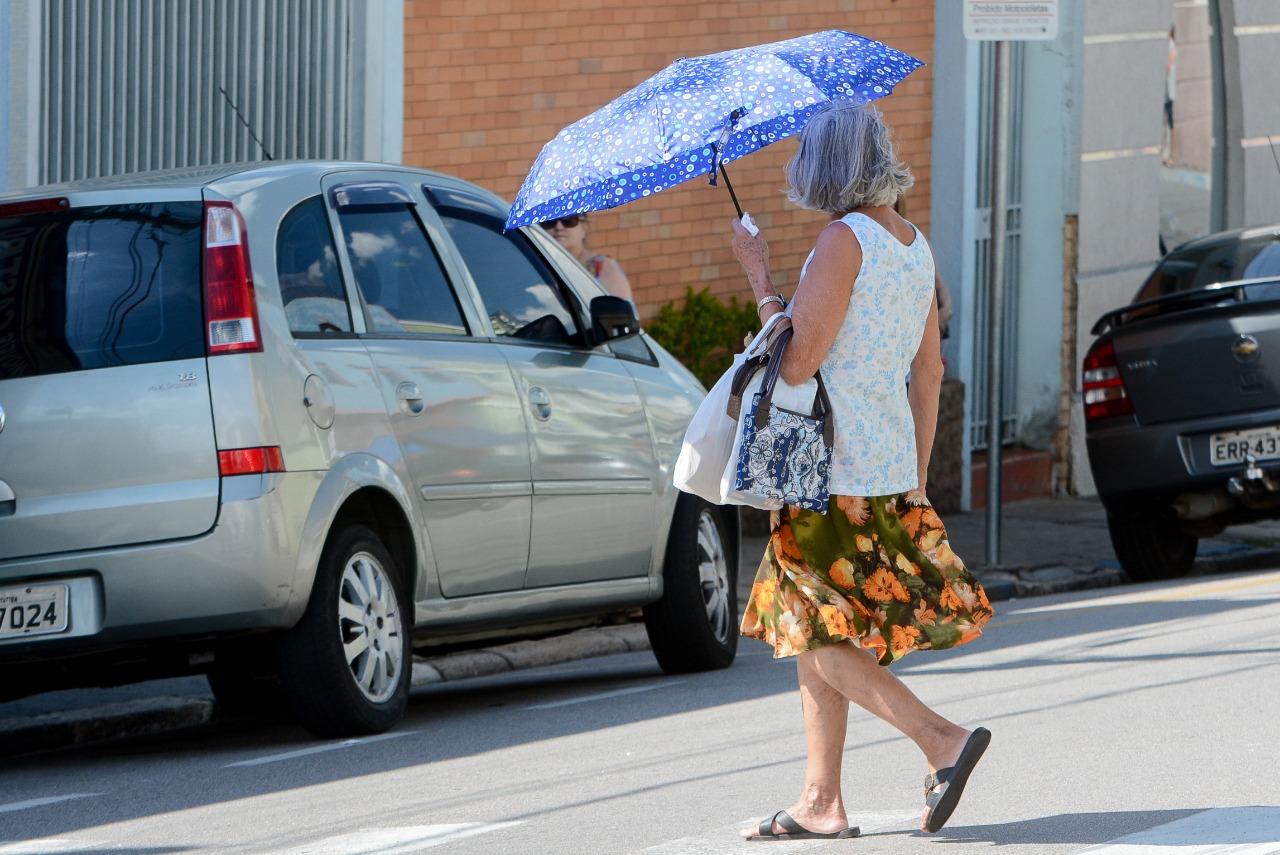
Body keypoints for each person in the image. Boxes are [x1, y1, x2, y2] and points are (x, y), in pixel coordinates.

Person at [731, 100, 994, 841]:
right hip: (880, 468)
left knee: (815, 634)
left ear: (829, 165)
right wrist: (915, 472)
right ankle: (821, 800)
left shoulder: (842, 241)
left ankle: (941, 740)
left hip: (826, 472)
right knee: (821, 629)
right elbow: (932, 370)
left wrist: (758, 276)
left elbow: (802, 355)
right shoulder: (914, 244)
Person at [541, 213, 634, 302]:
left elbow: (621, 314)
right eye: (550, 221)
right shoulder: (535, 263)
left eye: (568, 220)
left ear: (584, 228)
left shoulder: (604, 267)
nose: (558, 227)